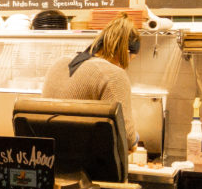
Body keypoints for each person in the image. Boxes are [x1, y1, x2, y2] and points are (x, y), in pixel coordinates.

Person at [41, 13, 140, 148]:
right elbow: (127, 138)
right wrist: (136, 139)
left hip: (48, 161)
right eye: (131, 59)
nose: (127, 64)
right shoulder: (114, 75)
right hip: (87, 165)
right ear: (125, 52)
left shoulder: (58, 64)